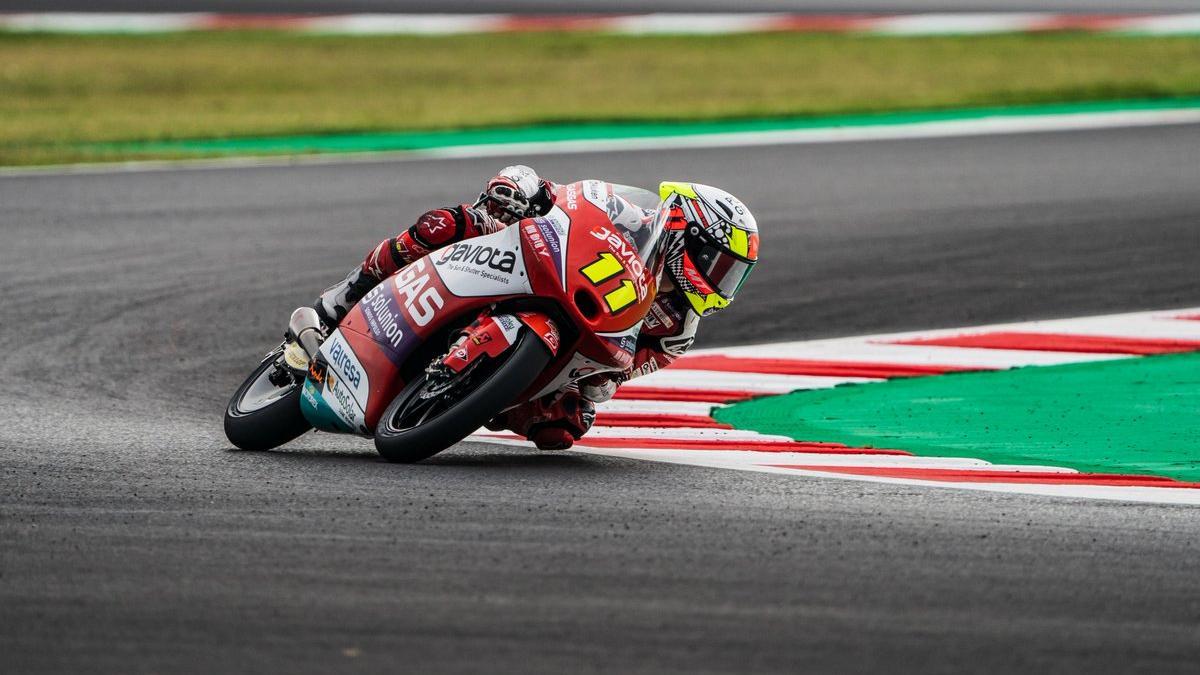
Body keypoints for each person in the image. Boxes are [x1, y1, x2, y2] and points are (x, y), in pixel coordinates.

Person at [309, 166, 759, 450]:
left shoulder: (678, 328)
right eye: (717, 265)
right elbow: (562, 194)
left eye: (732, 274)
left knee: (563, 428)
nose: (721, 282)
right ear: (685, 232)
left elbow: (619, 376)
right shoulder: (626, 210)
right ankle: (346, 296)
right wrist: (522, 189)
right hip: (529, 260)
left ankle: (462, 391)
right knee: (445, 224)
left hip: (571, 343)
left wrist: (597, 386)